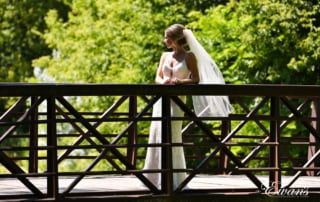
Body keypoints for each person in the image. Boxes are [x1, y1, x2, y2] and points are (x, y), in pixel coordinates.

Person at [143, 24, 233, 190]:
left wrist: (179, 82)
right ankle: (153, 177)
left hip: (177, 101)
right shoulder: (164, 56)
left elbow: (196, 78)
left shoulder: (189, 57)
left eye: (167, 37)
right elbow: (157, 76)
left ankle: (174, 177)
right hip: (161, 100)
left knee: (172, 135)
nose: (164, 40)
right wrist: (164, 82)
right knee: (156, 133)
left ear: (175, 39)